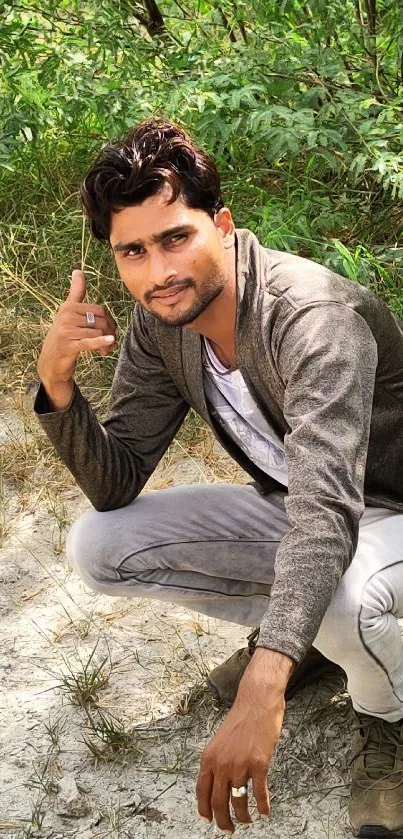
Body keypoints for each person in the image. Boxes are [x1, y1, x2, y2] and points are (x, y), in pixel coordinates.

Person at [34, 116, 403, 838]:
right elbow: (116, 481)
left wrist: (263, 686)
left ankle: (384, 713)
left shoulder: (311, 316)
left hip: (385, 513)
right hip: (308, 513)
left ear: (223, 226)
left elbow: (327, 509)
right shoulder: (162, 323)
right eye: (132, 251)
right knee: (99, 545)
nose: (158, 270)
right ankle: (316, 644)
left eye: (176, 237)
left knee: (345, 602)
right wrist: (55, 383)